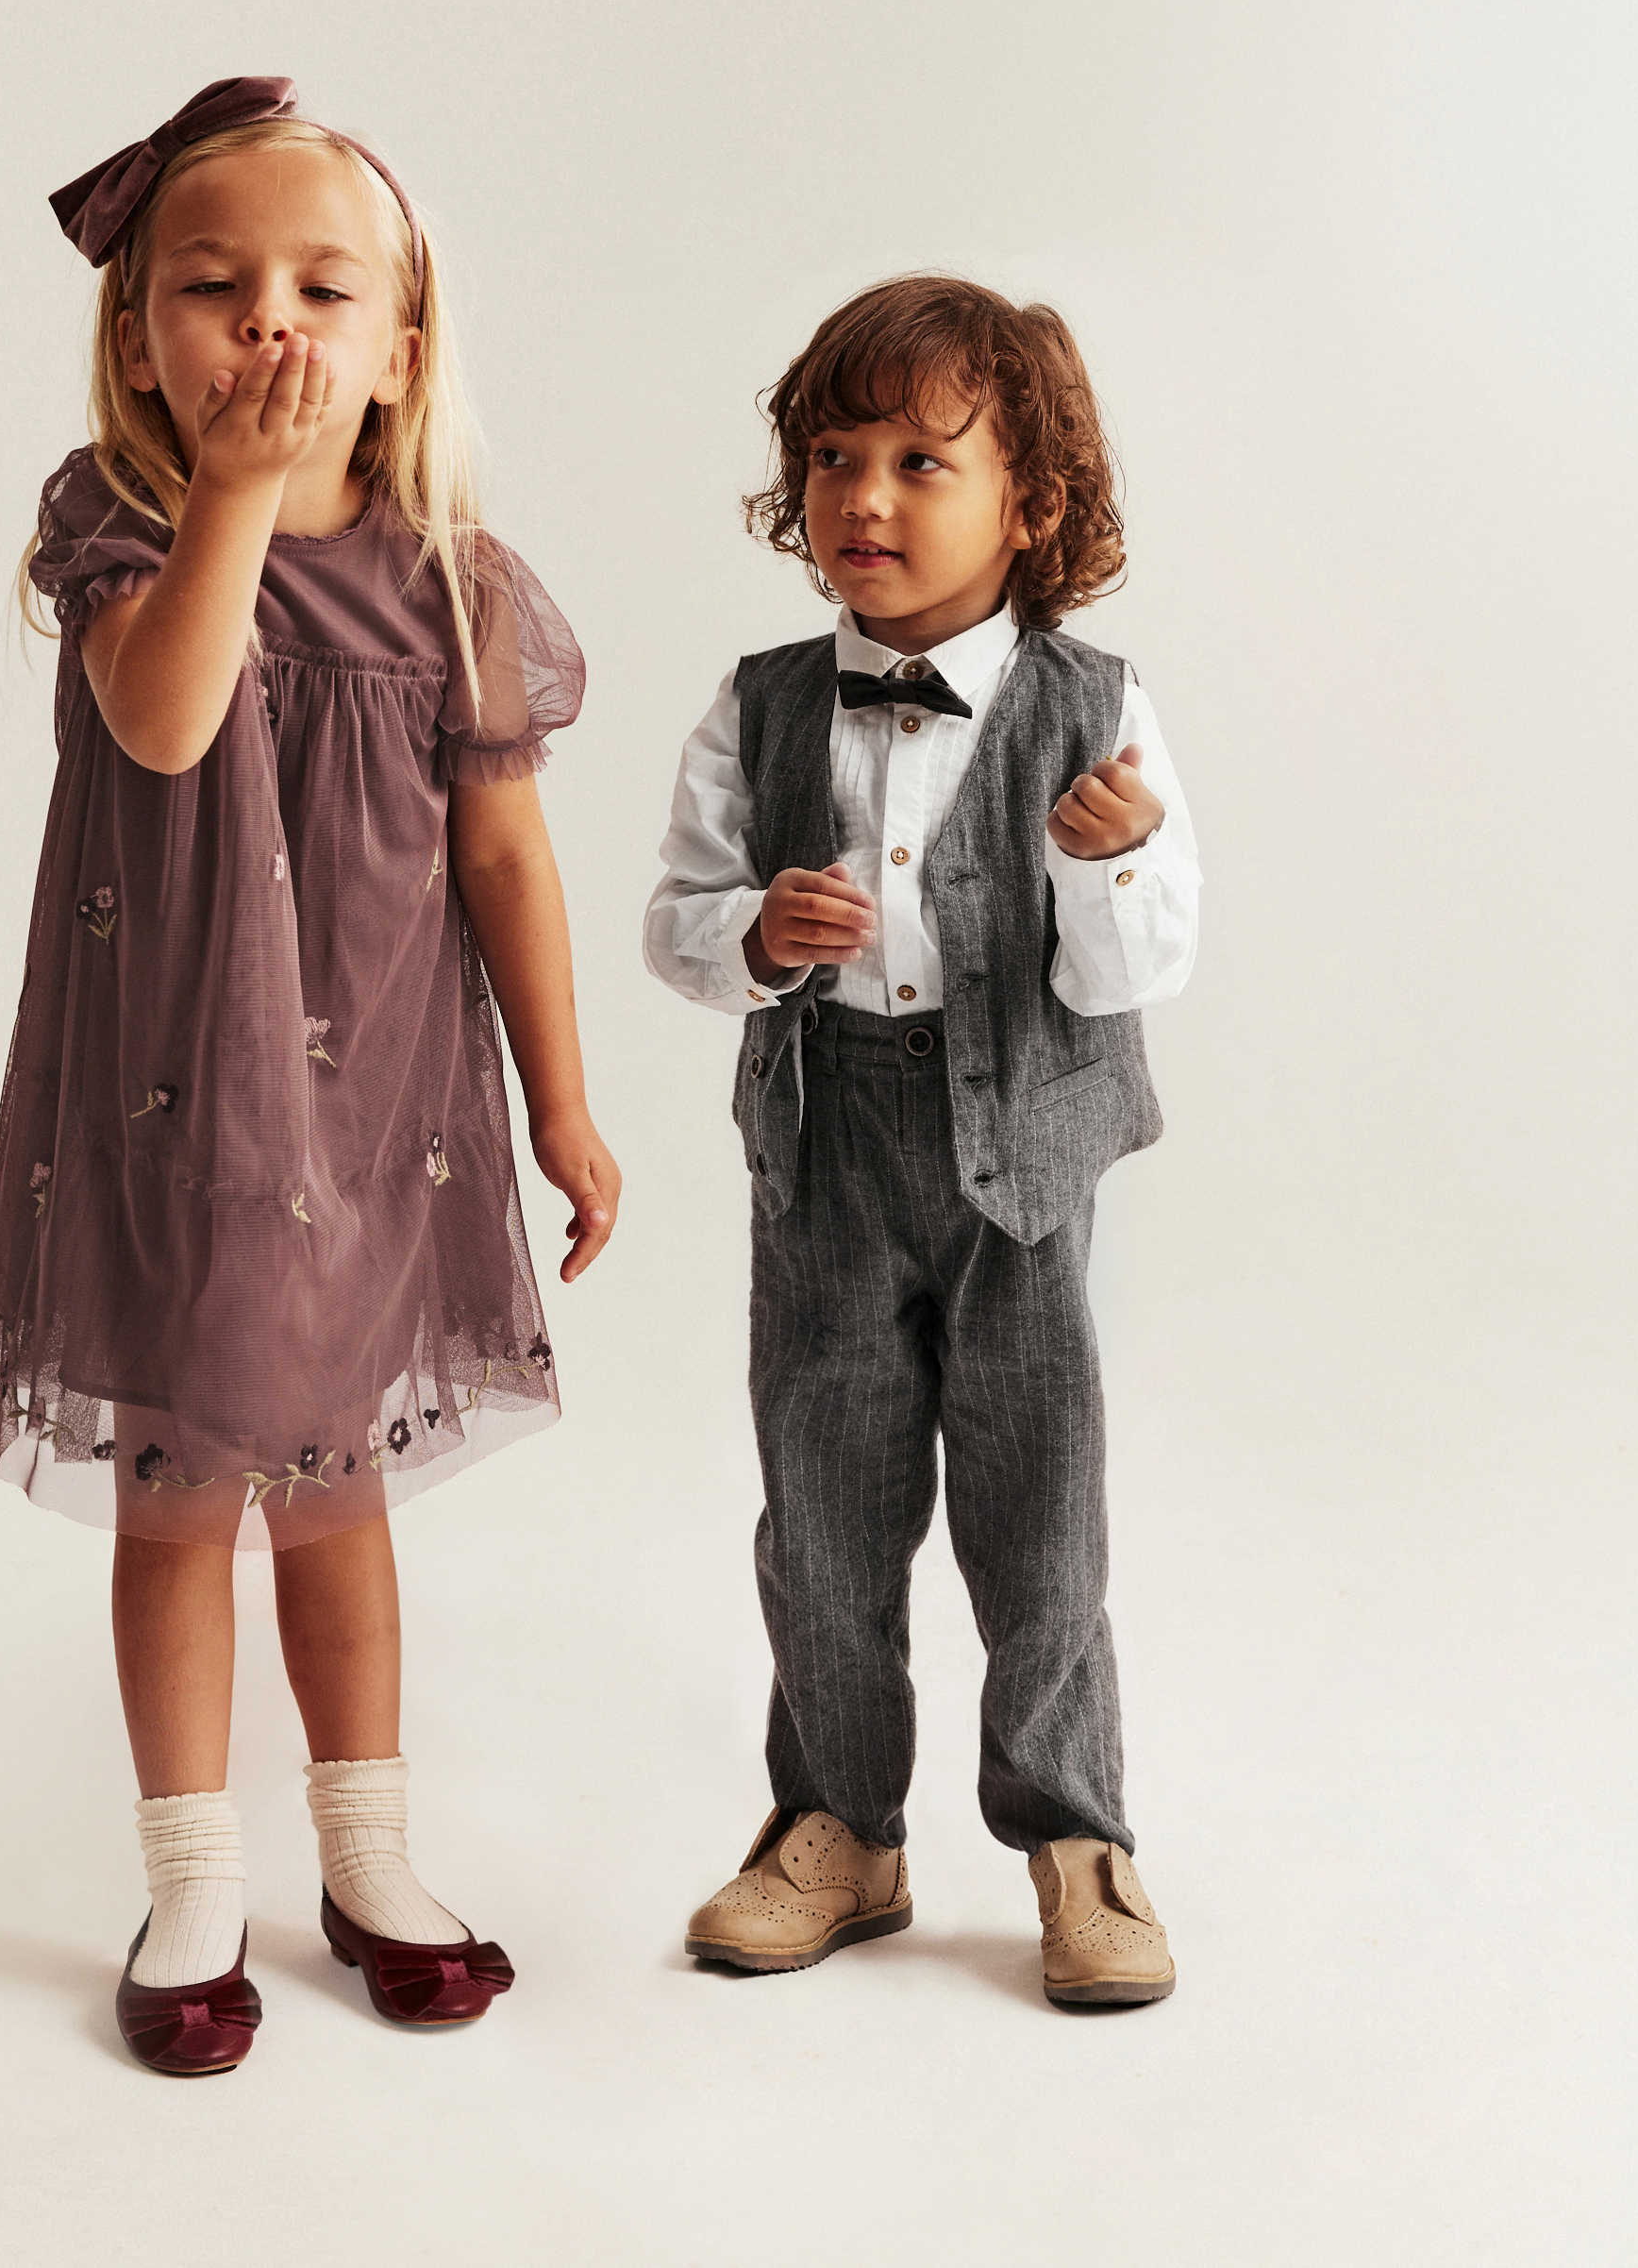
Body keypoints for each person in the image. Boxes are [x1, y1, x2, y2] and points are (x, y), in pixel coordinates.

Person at [0, 77, 618, 2074]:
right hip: (176, 1104)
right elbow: (166, 726)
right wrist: (239, 496)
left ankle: (369, 1853)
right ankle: (189, 1872)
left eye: (323, 288)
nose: (272, 324)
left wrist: (562, 1105)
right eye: (215, 285)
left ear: (398, 347)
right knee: (180, 1492)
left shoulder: (458, 579)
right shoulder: (127, 531)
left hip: (373, 1114)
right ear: (137, 340)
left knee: (336, 1494)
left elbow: (505, 858)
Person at [643, 275, 1198, 2008]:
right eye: (831, 455)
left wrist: (1102, 863)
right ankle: (837, 1827)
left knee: (1039, 1522)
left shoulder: (1092, 706)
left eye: (917, 460)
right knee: (818, 1508)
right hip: (820, 1161)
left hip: (1015, 1174)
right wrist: (751, 935)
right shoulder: (759, 704)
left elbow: (1139, 968)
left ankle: (1072, 1836)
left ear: (1028, 506)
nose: (863, 497)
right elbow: (672, 922)